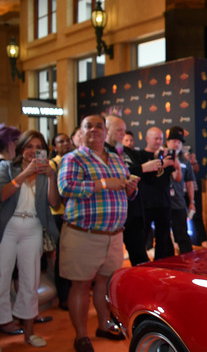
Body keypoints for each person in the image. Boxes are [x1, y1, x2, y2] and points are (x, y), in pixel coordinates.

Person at [58, 115, 139, 352]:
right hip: (83, 234)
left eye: (99, 126)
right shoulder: (73, 158)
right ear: (81, 132)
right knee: (81, 286)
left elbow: (125, 191)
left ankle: (103, 326)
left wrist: (130, 189)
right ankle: (81, 336)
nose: (94, 130)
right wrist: (103, 184)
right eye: (88, 126)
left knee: (105, 283)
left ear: (106, 132)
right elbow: (66, 188)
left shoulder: (115, 158)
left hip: (114, 235)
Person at [0, 130, 59, 347]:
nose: (33, 151)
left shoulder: (46, 172)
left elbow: (54, 203)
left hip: (33, 227)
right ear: (21, 148)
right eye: (29, 146)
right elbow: (2, 194)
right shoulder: (7, 167)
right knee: (1, 278)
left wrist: (51, 177)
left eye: (38, 147)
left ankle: (29, 333)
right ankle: (4, 323)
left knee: (30, 280)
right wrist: (25, 173)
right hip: (8, 227)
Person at [104, 116, 152, 266]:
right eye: (119, 130)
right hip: (114, 214)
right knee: (111, 263)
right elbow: (116, 175)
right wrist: (142, 168)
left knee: (140, 257)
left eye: (124, 130)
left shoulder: (126, 151)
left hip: (135, 211)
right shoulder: (102, 153)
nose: (123, 134)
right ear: (107, 130)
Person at [139, 127, 180, 260]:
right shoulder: (140, 156)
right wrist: (160, 162)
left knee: (163, 238)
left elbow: (177, 177)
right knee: (143, 236)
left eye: (161, 139)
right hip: (146, 203)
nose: (158, 141)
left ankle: (160, 263)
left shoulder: (166, 156)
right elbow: (145, 176)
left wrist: (175, 161)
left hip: (164, 203)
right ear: (147, 138)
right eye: (155, 138)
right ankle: (141, 263)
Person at [49, 132, 73, 310]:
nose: (65, 144)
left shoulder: (73, 161)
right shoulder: (53, 163)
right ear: (54, 146)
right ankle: (63, 296)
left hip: (72, 214)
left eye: (67, 140)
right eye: (61, 141)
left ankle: (71, 292)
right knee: (61, 257)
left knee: (71, 256)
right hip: (57, 213)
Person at [166, 127, 195, 253]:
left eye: (179, 142)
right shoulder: (160, 157)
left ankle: (188, 259)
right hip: (163, 202)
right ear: (167, 142)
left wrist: (192, 202)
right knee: (164, 235)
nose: (176, 144)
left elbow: (189, 182)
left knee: (182, 233)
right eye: (174, 141)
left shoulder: (184, 161)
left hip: (178, 201)